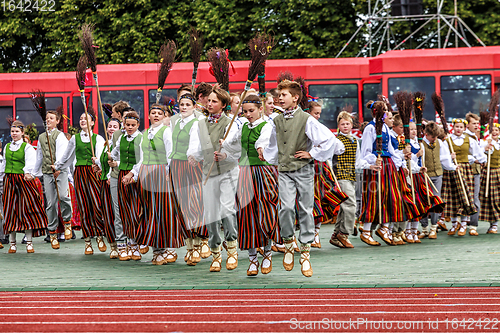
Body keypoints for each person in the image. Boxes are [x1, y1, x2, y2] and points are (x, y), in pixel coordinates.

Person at [263, 80, 336, 277]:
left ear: (295, 98)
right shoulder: (276, 120)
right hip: (285, 170)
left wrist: (311, 153)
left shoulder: (306, 119)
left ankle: (305, 252)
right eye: (279, 95)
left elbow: (328, 139)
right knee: (285, 207)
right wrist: (266, 153)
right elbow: (271, 143)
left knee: (305, 209)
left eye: (284, 95)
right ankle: (288, 243)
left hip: (303, 169)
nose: (280, 98)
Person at [223, 94, 279, 276]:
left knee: (267, 212)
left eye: (251, 111)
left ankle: (268, 253)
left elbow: (264, 140)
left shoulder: (267, 126)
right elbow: (235, 146)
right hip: (245, 172)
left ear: (260, 109)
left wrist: (261, 148)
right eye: (245, 111)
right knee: (247, 214)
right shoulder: (243, 127)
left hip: (264, 172)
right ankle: (253, 258)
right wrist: (224, 147)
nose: (248, 114)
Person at [188, 87, 240, 272]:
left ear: (224, 105)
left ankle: (232, 249)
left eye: (214, 101)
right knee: (210, 213)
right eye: (208, 100)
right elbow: (195, 146)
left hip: (227, 171)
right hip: (208, 171)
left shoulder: (231, 123)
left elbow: (236, 149)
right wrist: (193, 156)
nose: (209, 104)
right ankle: (216, 252)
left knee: (226, 208)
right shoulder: (199, 124)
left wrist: (226, 153)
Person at [356, 101, 416, 247]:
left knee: (392, 197)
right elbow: (365, 152)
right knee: (373, 197)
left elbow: (390, 150)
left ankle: (384, 228)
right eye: (386, 112)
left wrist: (402, 159)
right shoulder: (370, 128)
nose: (388, 115)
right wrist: (372, 163)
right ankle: (366, 231)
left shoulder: (385, 129)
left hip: (388, 165)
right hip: (376, 166)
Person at [134, 104, 187, 265]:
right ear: (149, 116)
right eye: (153, 113)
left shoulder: (166, 132)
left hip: (160, 173)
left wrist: (167, 173)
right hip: (146, 173)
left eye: (159, 113)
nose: (156, 115)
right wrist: (134, 173)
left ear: (164, 117)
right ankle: (156, 250)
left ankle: (166, 249)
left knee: (163, 212)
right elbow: (141, 158)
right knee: (149, 212)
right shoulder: (145, 134)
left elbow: (171, 154)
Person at [54, 110, 107, 255]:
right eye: (81, 118)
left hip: (94, 172)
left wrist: (98, 164)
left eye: (86, 118)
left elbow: (101, 158)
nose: (83, 120)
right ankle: (88, 241)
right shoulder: (74, 139)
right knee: (84, 206)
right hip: (80, 173)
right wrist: (57, 166)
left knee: (96, 204)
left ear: (93, 122)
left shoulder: (98, 138)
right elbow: (67, 156)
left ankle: (99, 236)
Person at [169, 95, 209, 266]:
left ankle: (202, 240)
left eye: (187, 105)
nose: (184, 107)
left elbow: (197, 144)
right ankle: (190, 247)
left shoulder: (197, 123)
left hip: (192, 165)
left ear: (194, 106)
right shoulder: (175, 123)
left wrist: (193, 156)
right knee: (181, 205)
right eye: (181, 105)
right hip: (176, 166)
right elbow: (170, 146)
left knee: (196, 202)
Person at [0, 120, 48, 253]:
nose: (14, 134)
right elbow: (3, 165)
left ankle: (29, 242)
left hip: (22, 181)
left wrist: (29, 173)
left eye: (16, 131)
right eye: (12, 131)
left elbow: (31, 163)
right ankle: (12, 243)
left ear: (22, 133)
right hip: (9, 181)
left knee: (26, 211)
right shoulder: (7, 147)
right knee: (10, 211)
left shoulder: (26, 147)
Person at [33, 108, 72, 249]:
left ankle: (67, 222)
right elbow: (39, 156)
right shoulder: (42, 137)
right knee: (50, 203)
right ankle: (52, 232)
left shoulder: (60, 136)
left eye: (51, 118)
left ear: (57, 121)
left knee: (62, 196)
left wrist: (58, 167)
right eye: (47, 118)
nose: (48, 120)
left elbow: (63, 154)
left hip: (60, 171)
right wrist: (33, 173)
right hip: (47, 172)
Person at [108, 110, 143, 260]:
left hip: (134, 177)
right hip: (121, 175)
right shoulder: (121, 138)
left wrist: (132, 173)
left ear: (138, 125)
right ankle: (123, 244)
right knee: (121, 210)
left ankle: (135, 243)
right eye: (127, 125)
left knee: (134, 210)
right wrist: (109, 158)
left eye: (133, 125)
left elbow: (143, 160)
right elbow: (114, 153)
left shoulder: (141, 139)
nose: (130, 127)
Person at [442, 118, 485, 236]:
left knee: (466, 196)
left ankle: (464, 224)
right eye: (456, 127)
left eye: (461, 127)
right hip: (452, 169)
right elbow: (443, 157)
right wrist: (450, 157)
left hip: (465, 169)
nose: (458, 129)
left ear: (464, 128)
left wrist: (478, 160)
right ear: (453, 127)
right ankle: (455, 224)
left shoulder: (469, 140)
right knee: (453, 196)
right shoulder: (448, 141)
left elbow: (478, 154)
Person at [418, 121, 456, 239]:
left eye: (435, 137)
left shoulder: (439, 142)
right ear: (426, 133)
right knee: (424, 201)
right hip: (425, 176)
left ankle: (433, 227)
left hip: (438, 175)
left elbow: (444, 158)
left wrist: (453, 166)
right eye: (432, 137)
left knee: (436, 201)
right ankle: (424, 228)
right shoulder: (420, 144)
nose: (434, 139)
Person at [92, 118, 121, 259]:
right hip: (104, 183)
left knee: (119, 214)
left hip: (116, 181)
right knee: (108, 215)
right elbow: (105, 163)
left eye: (115, 126)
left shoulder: (120, 143)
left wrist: (112, 170)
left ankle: (125, 243)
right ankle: (113, 245)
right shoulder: (106, 144)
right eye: (109, 126)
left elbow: (121, 162)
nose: (111, 129)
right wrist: (97, 163)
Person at [330, 111, 359, 248]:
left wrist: (370, 165)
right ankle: (344, 233)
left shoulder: (354, 140)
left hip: (351, 175)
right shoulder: (336, 140)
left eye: (347, 124)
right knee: (350, 204)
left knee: (344, 206)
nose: (345, 126)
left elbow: (357, 160)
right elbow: (330, 158)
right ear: (338, 126)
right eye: (342, 124)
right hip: (340, 175)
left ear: (352, 125)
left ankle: (336, 235)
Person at [480, 123, 500, 234]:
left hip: (499, 172)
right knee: (491, 199)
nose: (495, 132)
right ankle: (494, 225)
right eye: (493, 130)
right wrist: (485, 149)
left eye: (497, 130)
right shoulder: (484, 143)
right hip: (488, 173)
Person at [464, 112, 482, 235]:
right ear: (468, 125)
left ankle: (473, 225)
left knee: (475, 198)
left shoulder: (476, 137)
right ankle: (462, 224)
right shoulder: (464, 137)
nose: (476, 126)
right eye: (473, 123)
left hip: (475, 171)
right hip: (466, 170)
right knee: (465, 197)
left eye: (477, 123)